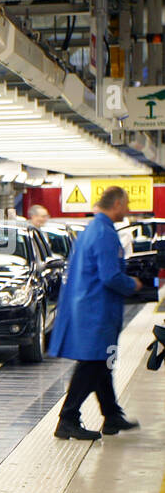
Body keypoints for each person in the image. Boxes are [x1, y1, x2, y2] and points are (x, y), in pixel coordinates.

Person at [48, 186, 143, 440]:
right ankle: (67, 419)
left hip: (90, 307)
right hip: (96, 310)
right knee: (92, 363)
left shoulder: (93, 229)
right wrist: (133, 284)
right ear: (118, 204)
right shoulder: (104, 233)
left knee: (102, 362)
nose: (129, 209)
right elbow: (110, 275)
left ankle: (112, 416)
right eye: (127, 204)